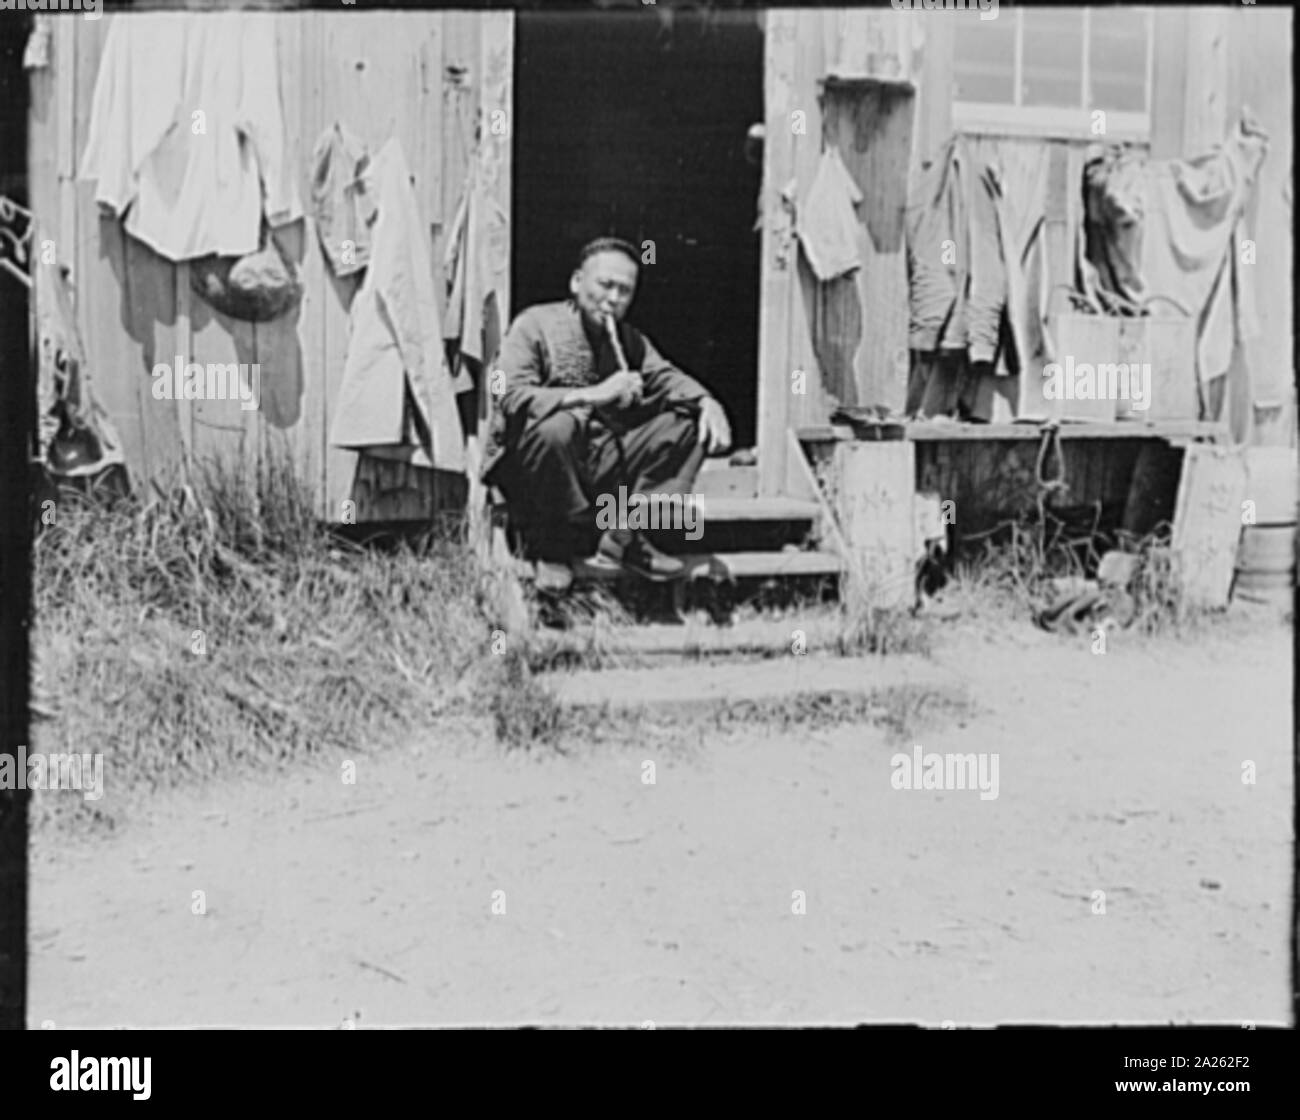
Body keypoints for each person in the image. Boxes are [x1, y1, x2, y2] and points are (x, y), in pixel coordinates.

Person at [482, 237, 732, 592]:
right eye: (605, 285)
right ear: (576, 282)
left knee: (689, 423)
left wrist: (708, 402)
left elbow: (667, 377)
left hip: (596, 468)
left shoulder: (630, 341)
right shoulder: (534, 324)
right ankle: (552, 547)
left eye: (625, 291)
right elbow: (507, 393)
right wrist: (594, 394)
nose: (614, 299)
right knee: (557, 427)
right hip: (536, 472)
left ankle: (625, 533)